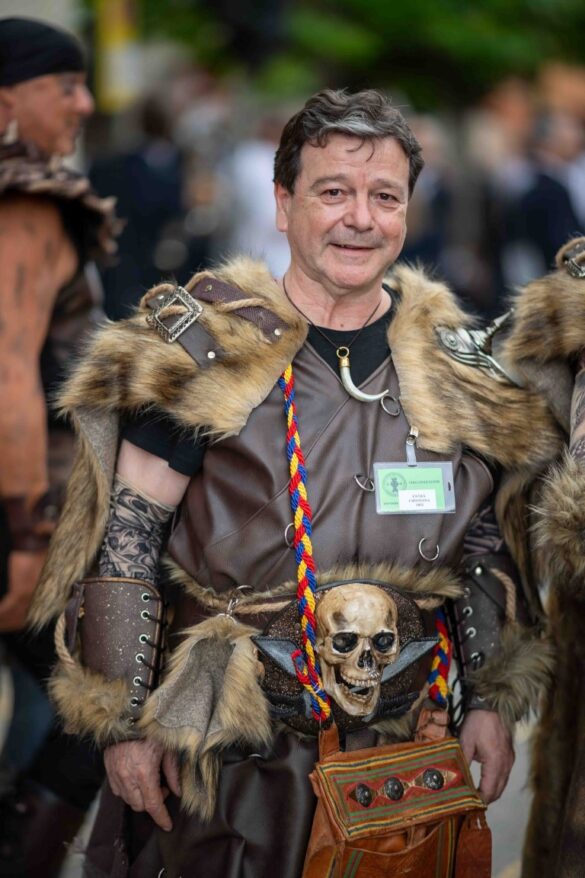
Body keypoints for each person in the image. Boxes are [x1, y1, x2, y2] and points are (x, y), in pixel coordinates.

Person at [30, 88, 567, 878]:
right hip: (226, 755)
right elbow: (129, 543)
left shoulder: (454, 369)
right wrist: (123, 723)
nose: (360, 219)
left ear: (408, 211)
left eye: (385, 197)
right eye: (333, 192)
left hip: (399, 748)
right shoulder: (204, 354)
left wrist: (486, 701)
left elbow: (481, 542)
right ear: (283, 205)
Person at [0, 16, 118, 876]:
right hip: (22, 512)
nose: (84, 104)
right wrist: (26, 533)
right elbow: (8, 373)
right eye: (65, 85)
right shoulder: (27, 206)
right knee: (96, 714)